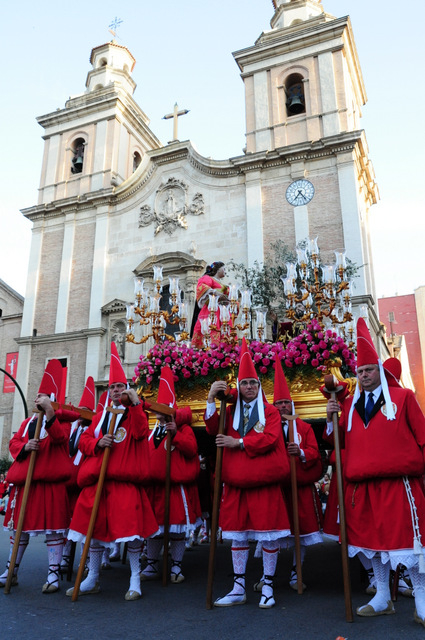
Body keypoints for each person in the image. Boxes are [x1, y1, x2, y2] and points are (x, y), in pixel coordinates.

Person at [326, 318, 425, 626]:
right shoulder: (350, 407)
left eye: (368, 370)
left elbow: (423, 437)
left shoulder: (403, 398)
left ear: (380, 372)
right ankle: (382, 596)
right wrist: (331, 420)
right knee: (371, 545)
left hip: (399, 484)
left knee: (408, 545)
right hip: (362, 487)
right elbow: (338, 441)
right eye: (359, 372)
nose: (364, 376)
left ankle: (421, 600)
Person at [66, 342, 158, 601]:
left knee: (131, 534)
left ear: (127, 389)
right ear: (108, 390)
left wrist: (137, 404)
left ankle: (135, 578)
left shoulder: (133, 414)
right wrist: (97, 443)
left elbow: (141, 433)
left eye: (121, 387)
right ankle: (92, 577)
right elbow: (83, 441)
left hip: (124, 483)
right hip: (97, 482)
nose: (117, 391)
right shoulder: (99, 418)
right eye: (113, 387)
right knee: (92, 532)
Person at [204, 338, 291, 608]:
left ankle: (267, 585)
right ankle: (238, 587)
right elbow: (210, 429)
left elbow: (269, 438)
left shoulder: (271, 412)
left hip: (264, 484)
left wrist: (237, 443)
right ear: (238, 387)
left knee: (268, 535)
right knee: (238, 536)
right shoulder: (228, 412)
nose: (249, 387)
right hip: (236, 485)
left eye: (253, 383)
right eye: (244, 383)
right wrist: (210, 399)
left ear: (259, 386)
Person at [0, 359, 72, 593]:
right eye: (37, 395)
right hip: (26, 485)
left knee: (53, 530)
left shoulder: (62, 420)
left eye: (42, 395)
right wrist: (25, 446)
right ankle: (11, 570)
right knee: (19, 531)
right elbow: (14, 442)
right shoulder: (27, 422)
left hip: (50, 484)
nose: (37, 399)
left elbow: (61, 438)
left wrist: (50, 412)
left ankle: (53, 575)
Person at [254, 355, 323, 593]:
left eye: (286, 402)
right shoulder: (265, 427)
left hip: (299, 489)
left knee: (300, 533)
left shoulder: (304, 428)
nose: (283, 406)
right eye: (279, 402)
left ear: (292, 404)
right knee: (270, 535)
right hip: (276, 488)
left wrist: (301, 451)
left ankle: (297, 573)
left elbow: (315, 452)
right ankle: (267, 576)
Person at [141, 366, 201, 583]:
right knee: (154, 530)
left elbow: (192, 450)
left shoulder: (184, 428)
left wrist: (175, 434)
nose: (159, 411)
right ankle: (151, 564)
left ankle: (176, 566)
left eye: (164, 407)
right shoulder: (151, 430)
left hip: (176, 488)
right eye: (157, 407)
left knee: (176, 529)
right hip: (154, 488)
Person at [60, 376, 96, 576]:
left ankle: (88, 560)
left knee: (83, 525)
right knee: (66, 524)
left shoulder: (93, 431)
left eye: (86, 411)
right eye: (81, 410)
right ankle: (65, 557)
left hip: (83, 486)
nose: (82, 415)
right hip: (68, 486)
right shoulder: (72, 429)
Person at [191, 261, 229, 348]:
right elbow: (203, 287)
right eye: (224, 269)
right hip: (211, 309)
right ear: (218, 270)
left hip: (221, 310)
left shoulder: (222, 284)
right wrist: (215, 293)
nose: (225, 271)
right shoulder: (208, 278)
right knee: (210, 327)